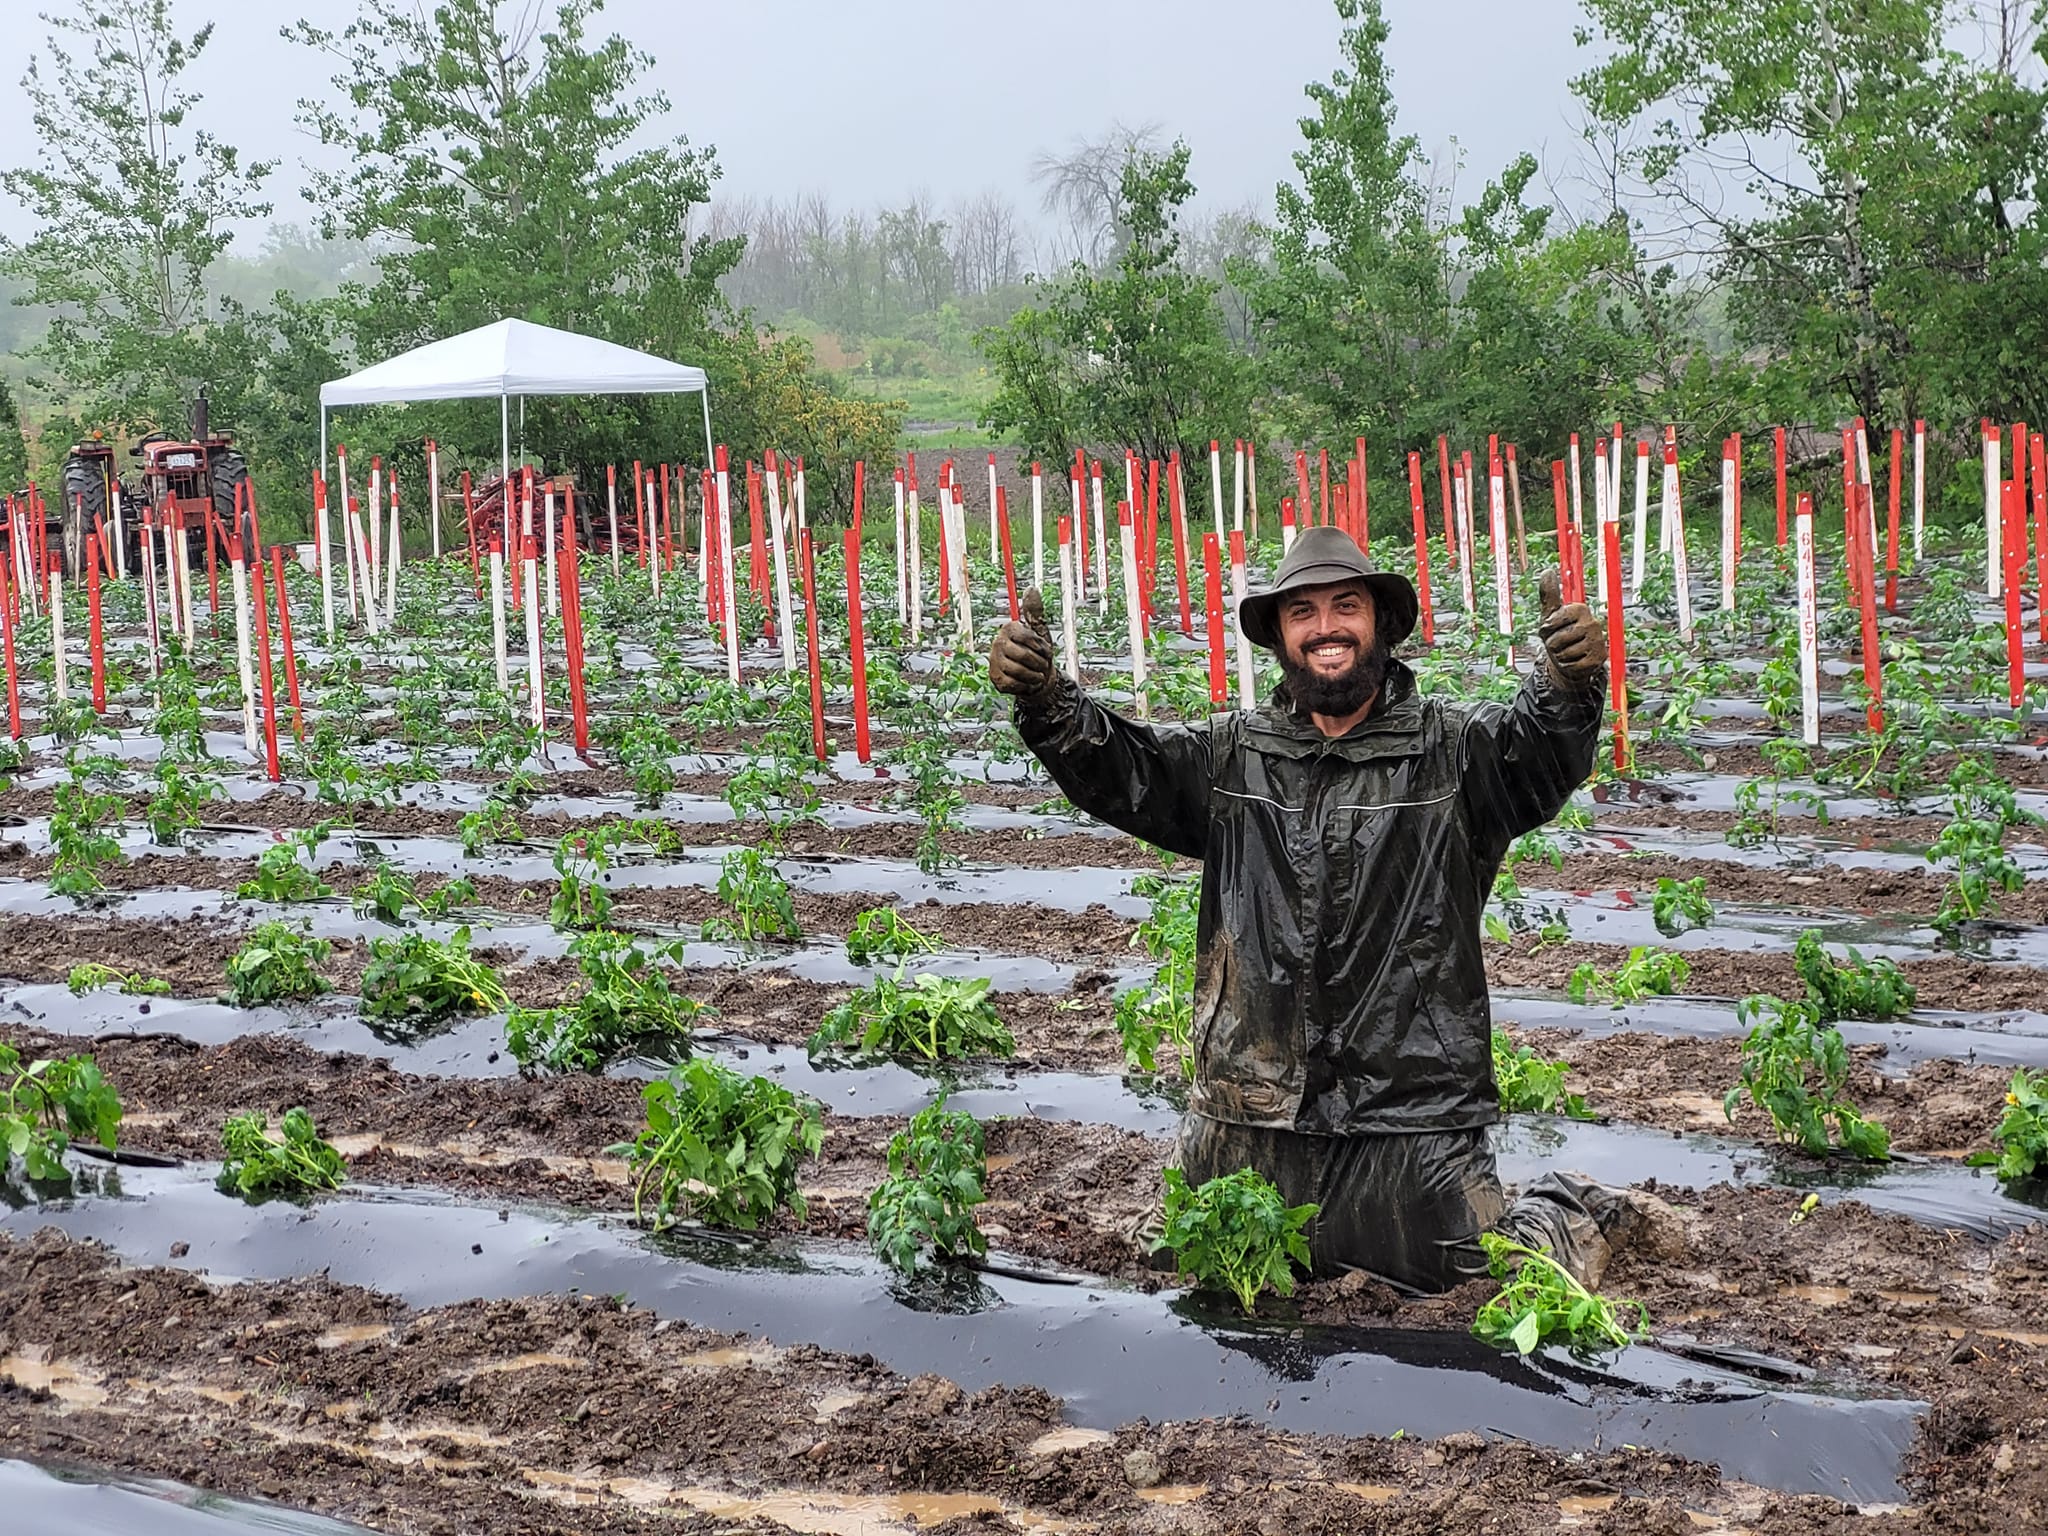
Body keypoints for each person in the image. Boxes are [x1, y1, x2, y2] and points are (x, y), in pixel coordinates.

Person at [988, 525, 1640, 1295]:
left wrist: (1567, 686)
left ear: (1383, 626)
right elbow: (1123, 769)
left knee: (1479, 1284)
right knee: (1192, 1265)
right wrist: (1045, 699)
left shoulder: (1456, 753)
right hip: (1249, 1114)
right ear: (1280, 636)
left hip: (1406, 1119)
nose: (1325, 627)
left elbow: (1537, 755)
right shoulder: (1234, 757)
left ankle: (1568, 1209)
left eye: (1346, 606)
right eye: (1303, 612)